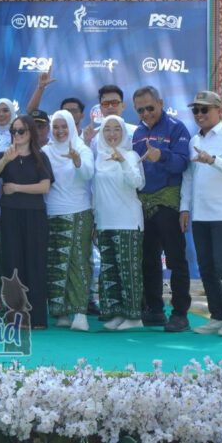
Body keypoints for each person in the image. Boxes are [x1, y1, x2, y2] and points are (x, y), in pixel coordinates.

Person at [180, 91, 222, 337]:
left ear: (219, 110)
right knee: (206, 267)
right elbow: (189, 177)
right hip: (200, 214)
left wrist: (213, 161)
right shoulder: (193, 140)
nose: (199, 114)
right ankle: (218, 316)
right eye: (195, 110)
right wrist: (184, 207)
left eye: (204, 109)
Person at [131, 86, 192, 332]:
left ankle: (180, 313)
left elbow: (182, 164)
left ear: (161, 103)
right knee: (148, 259)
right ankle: (154, 309)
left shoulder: (176, 128)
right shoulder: (136, 133)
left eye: (150, 108)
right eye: (140, 110)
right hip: (142, 203)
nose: (146, 113)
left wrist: (162, 156)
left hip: (167, 201)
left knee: (176, 259)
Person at [0, 115, 53, 329]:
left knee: (35, 263)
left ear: (30, 133)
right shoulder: (4, 155)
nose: (16, 135)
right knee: (11, 262)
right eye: (13, 131)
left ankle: (37, 318)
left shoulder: (40, 157)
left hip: (35, 215)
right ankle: (15, 316)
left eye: (21, 131)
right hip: (10, 215)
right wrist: (6, 160)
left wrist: (17, 188)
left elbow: (45, 186)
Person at [42, 110, 95, 331]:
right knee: (56, 263)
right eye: (56, 127)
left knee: (78, 262)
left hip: (79, 211)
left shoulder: (81, 148)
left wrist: (77, 161)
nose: (60, 131)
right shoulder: (45, 151)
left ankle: (80, 313)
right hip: (52, 213)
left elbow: (88, 174)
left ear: (72, 127)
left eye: (64, 126)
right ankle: (60, 312)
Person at [93, 116, 146, 330]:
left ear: (124, 133)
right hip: (105, 221)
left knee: (129, 271)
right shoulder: (98, 158)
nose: (112, 134)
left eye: (117, 129)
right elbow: (96, 192)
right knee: (109, 271)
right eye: (107, 129)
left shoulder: (131, 155)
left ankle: (134, 317)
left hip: (128, 222)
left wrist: (123, 161)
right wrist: (95, 221)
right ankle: (115, 313)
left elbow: (138, 183)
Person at [83, 85, 136, 152]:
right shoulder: (92, 137)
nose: (110, 107)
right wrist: (87, 142)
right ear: (100, 109)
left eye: (114, 103)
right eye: (105, 104)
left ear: (123, 106)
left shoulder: (135, 132)